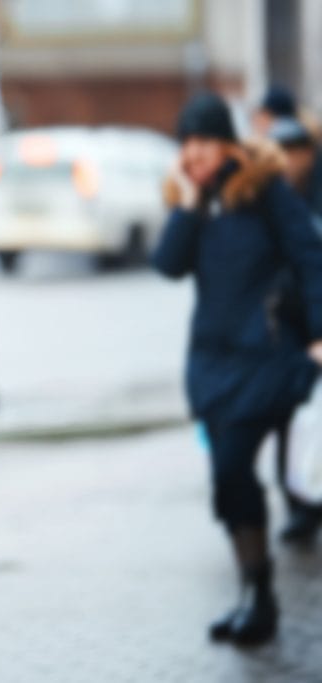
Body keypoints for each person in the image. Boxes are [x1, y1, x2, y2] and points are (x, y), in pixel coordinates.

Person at [153, 92, 322, 646]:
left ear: (226, 142)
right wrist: (190, 199)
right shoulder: (198, 201)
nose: (195, 153)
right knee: (229, 483)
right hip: (212, 362)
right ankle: (255, 595)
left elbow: (309, 254)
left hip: (266, 355)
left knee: (232, 470)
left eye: (203, 141)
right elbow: (168, 265)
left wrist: (319, 334)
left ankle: (262, 596)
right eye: (187, 145)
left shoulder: (266, 190)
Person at [268, 113, 322, 544]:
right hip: (285, 325)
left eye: (293, 151)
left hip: (316, 322)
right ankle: (298, 503)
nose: (287, 161)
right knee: (287, 415)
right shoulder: (267, 196)